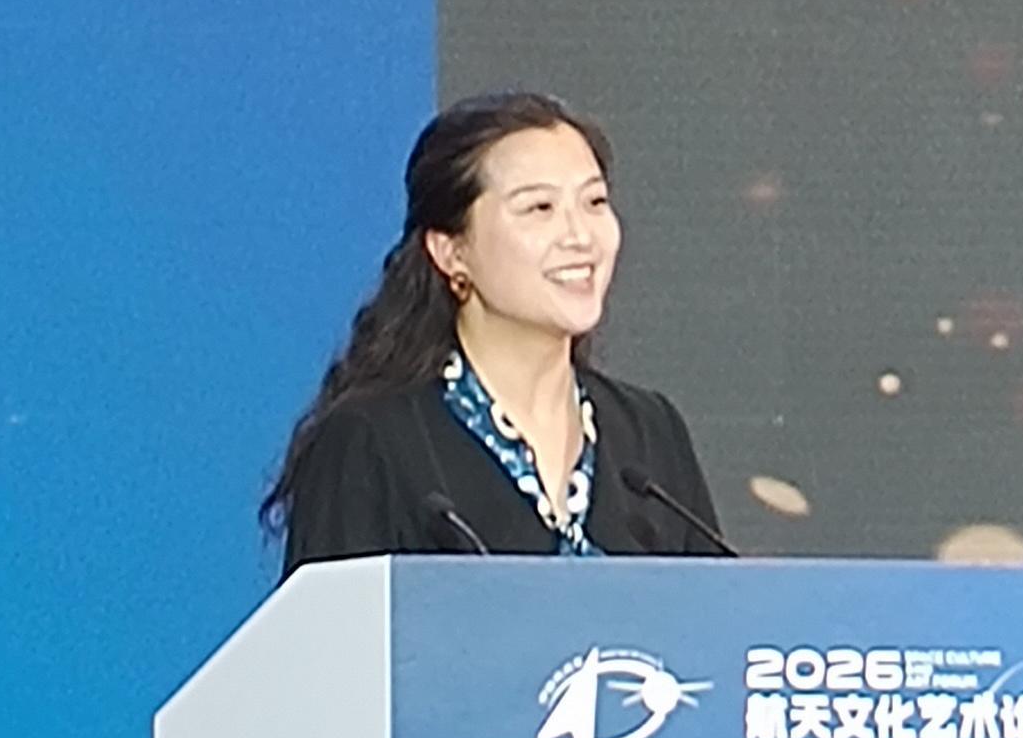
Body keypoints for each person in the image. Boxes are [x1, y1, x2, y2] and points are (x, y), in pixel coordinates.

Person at [265, 95, 730, 569]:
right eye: (540, 208)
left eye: (594, 202)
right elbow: (339, 617)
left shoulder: (650, 434)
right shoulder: (371, 441)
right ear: (451, 252)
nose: (580, 236)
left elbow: (712, 610)